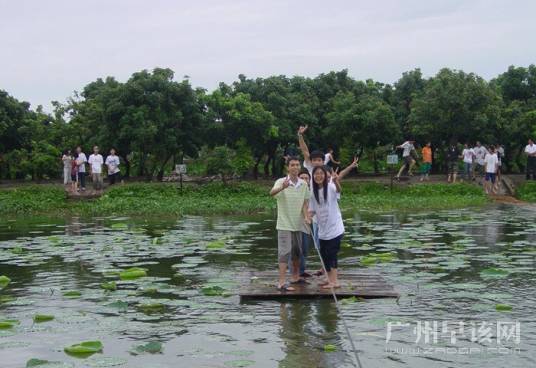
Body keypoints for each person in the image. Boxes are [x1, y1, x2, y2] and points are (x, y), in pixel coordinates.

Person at [270, 156, 310, 291]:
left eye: (297, 165)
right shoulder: (281, 181)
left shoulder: (303, 184)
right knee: (284, 252)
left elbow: (305, 202)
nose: (295, 167)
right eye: (292, 165)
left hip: (297, 224)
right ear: (288, 167)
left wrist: (306, 216)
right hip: (284, 224)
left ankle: (295, 277)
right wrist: (282, 187)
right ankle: (281, 283)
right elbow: (271, 193)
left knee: (297, 252)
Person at [307, 166, 345, 289]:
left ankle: (335, 282)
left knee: (331, 254)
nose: (319, 176)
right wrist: (307, 217)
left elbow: (339, 191)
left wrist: (336, 181)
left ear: (325, 175)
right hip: (323, 230)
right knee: (324, 255)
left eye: (321, 174)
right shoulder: (312, 192)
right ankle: (329, 279)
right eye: (316, 174)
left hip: (335, 228)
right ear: (313, 176)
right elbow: (312, 210)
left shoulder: (330, 187)